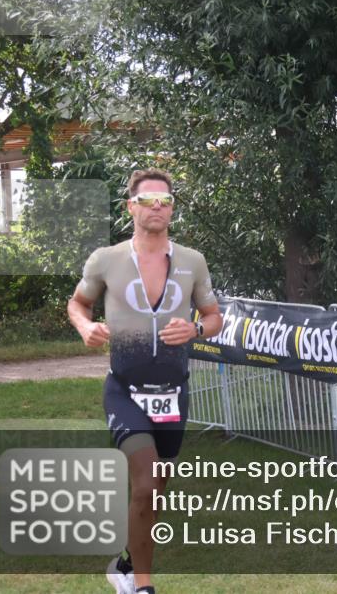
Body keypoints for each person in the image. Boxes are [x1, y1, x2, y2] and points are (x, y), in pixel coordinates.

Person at [68, 168, 222, 594]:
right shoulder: (106, 259)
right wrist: (85, 327)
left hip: (174, 392)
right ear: (130, 207)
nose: (157, 206)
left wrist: (195, 329)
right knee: (148, 481)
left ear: (172, 209)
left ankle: (125, 562)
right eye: (147, 199)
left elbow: (214, 317)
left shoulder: (192, 261)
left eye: (165, 200)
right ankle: (142, 586)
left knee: (154, 492)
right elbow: (78, 304)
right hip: (125, 391)